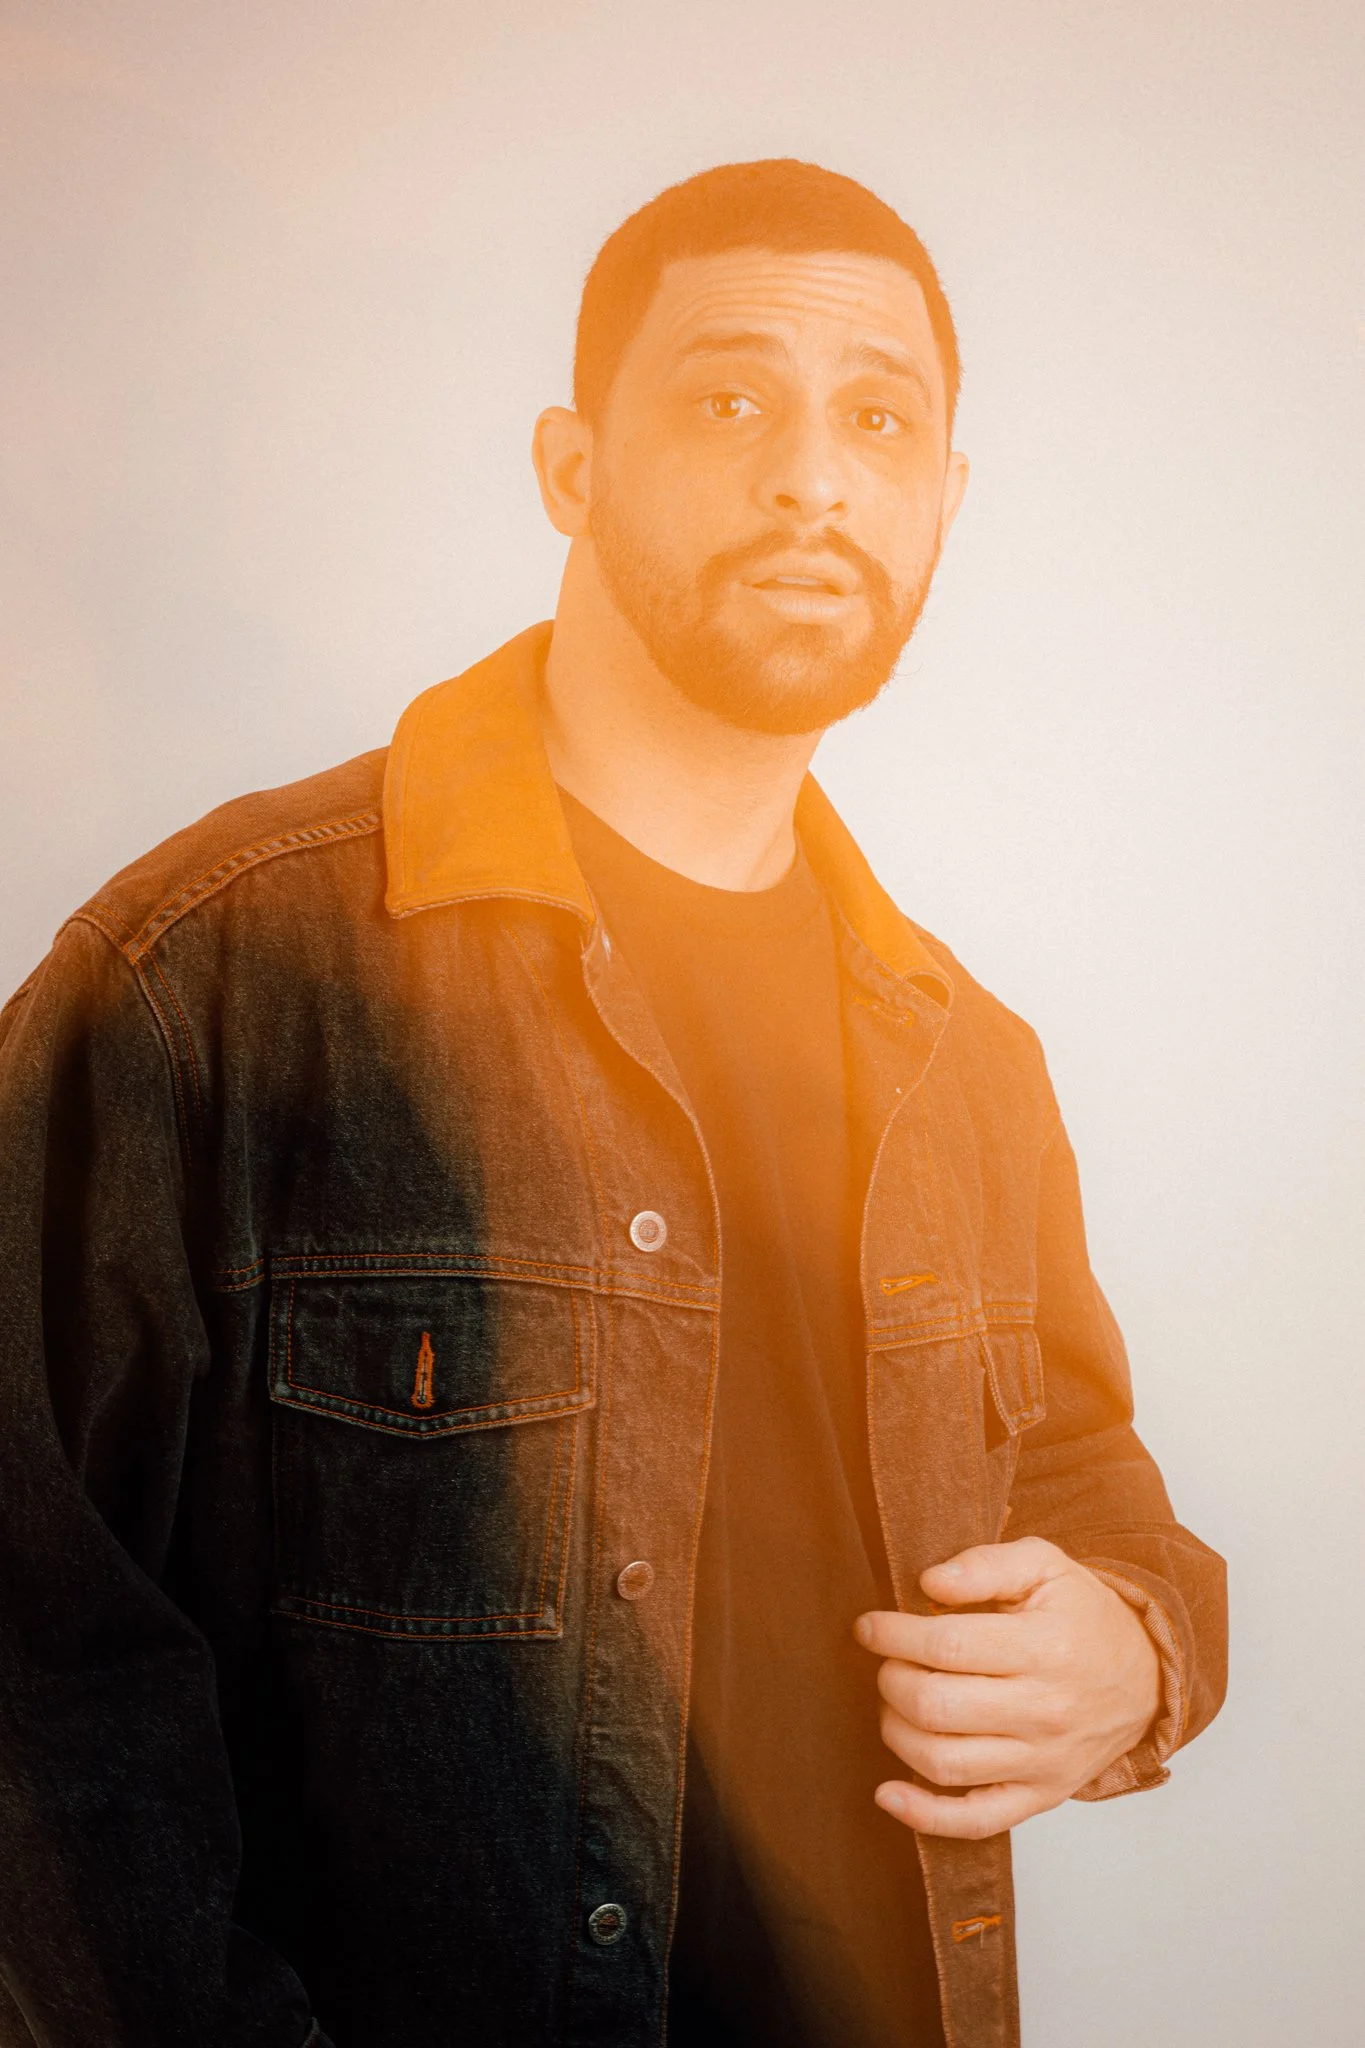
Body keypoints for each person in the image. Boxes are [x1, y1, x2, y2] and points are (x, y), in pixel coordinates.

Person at [0, 158, 1226, 2048]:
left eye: (879, 420)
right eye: (730, 399)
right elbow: (31, 1665)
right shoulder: (202, 982)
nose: (814, 480)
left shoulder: (970, 1064)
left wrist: (1142, 1649)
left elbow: (1083, 1477)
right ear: (571, 468)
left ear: (945, 499)